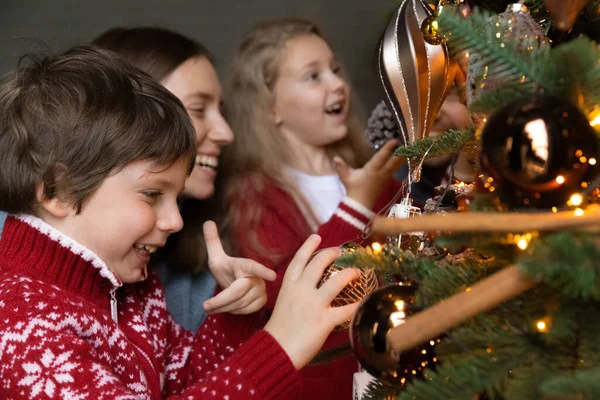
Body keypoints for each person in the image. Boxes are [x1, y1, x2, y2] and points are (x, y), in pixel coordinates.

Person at [0, 46, 360, 399]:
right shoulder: (23, 324)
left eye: (175, 197)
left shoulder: (132, 289)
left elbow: (186, 382)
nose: (174, 221)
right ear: (57, 191)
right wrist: (280, 346)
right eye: (153, 194)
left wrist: (232, 318)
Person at [210, 17, 406, 399]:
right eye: (312, 76)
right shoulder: (256, 194)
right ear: (270, 108)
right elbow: (284, 291)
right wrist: (356, 206)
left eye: (334, 69)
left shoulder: (373, 173)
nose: (337, 84)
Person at [92, 27, 264, 332]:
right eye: (198, 109)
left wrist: (233, 311)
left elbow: (193, 376)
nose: (226, 133)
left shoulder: (195, 245)